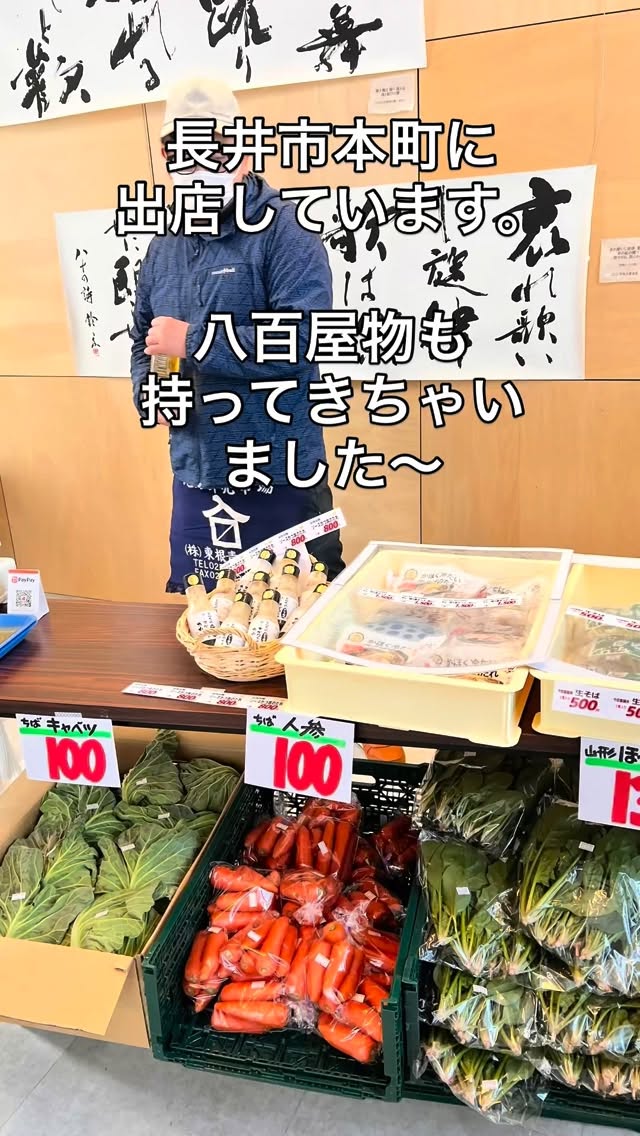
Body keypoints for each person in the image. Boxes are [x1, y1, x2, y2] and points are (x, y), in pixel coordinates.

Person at [130, 76, 345, 592]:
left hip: (279, 473)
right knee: (209, 615)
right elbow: (145, 339)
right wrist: (152, 390)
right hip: (196, 471)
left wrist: (194, 342)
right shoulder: (163, 247)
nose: (199, 166)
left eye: (216, 149)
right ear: (165, 156)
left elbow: (303, 339)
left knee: (298, 609)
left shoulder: (287, 233)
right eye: (184, 152)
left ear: (245, 151)